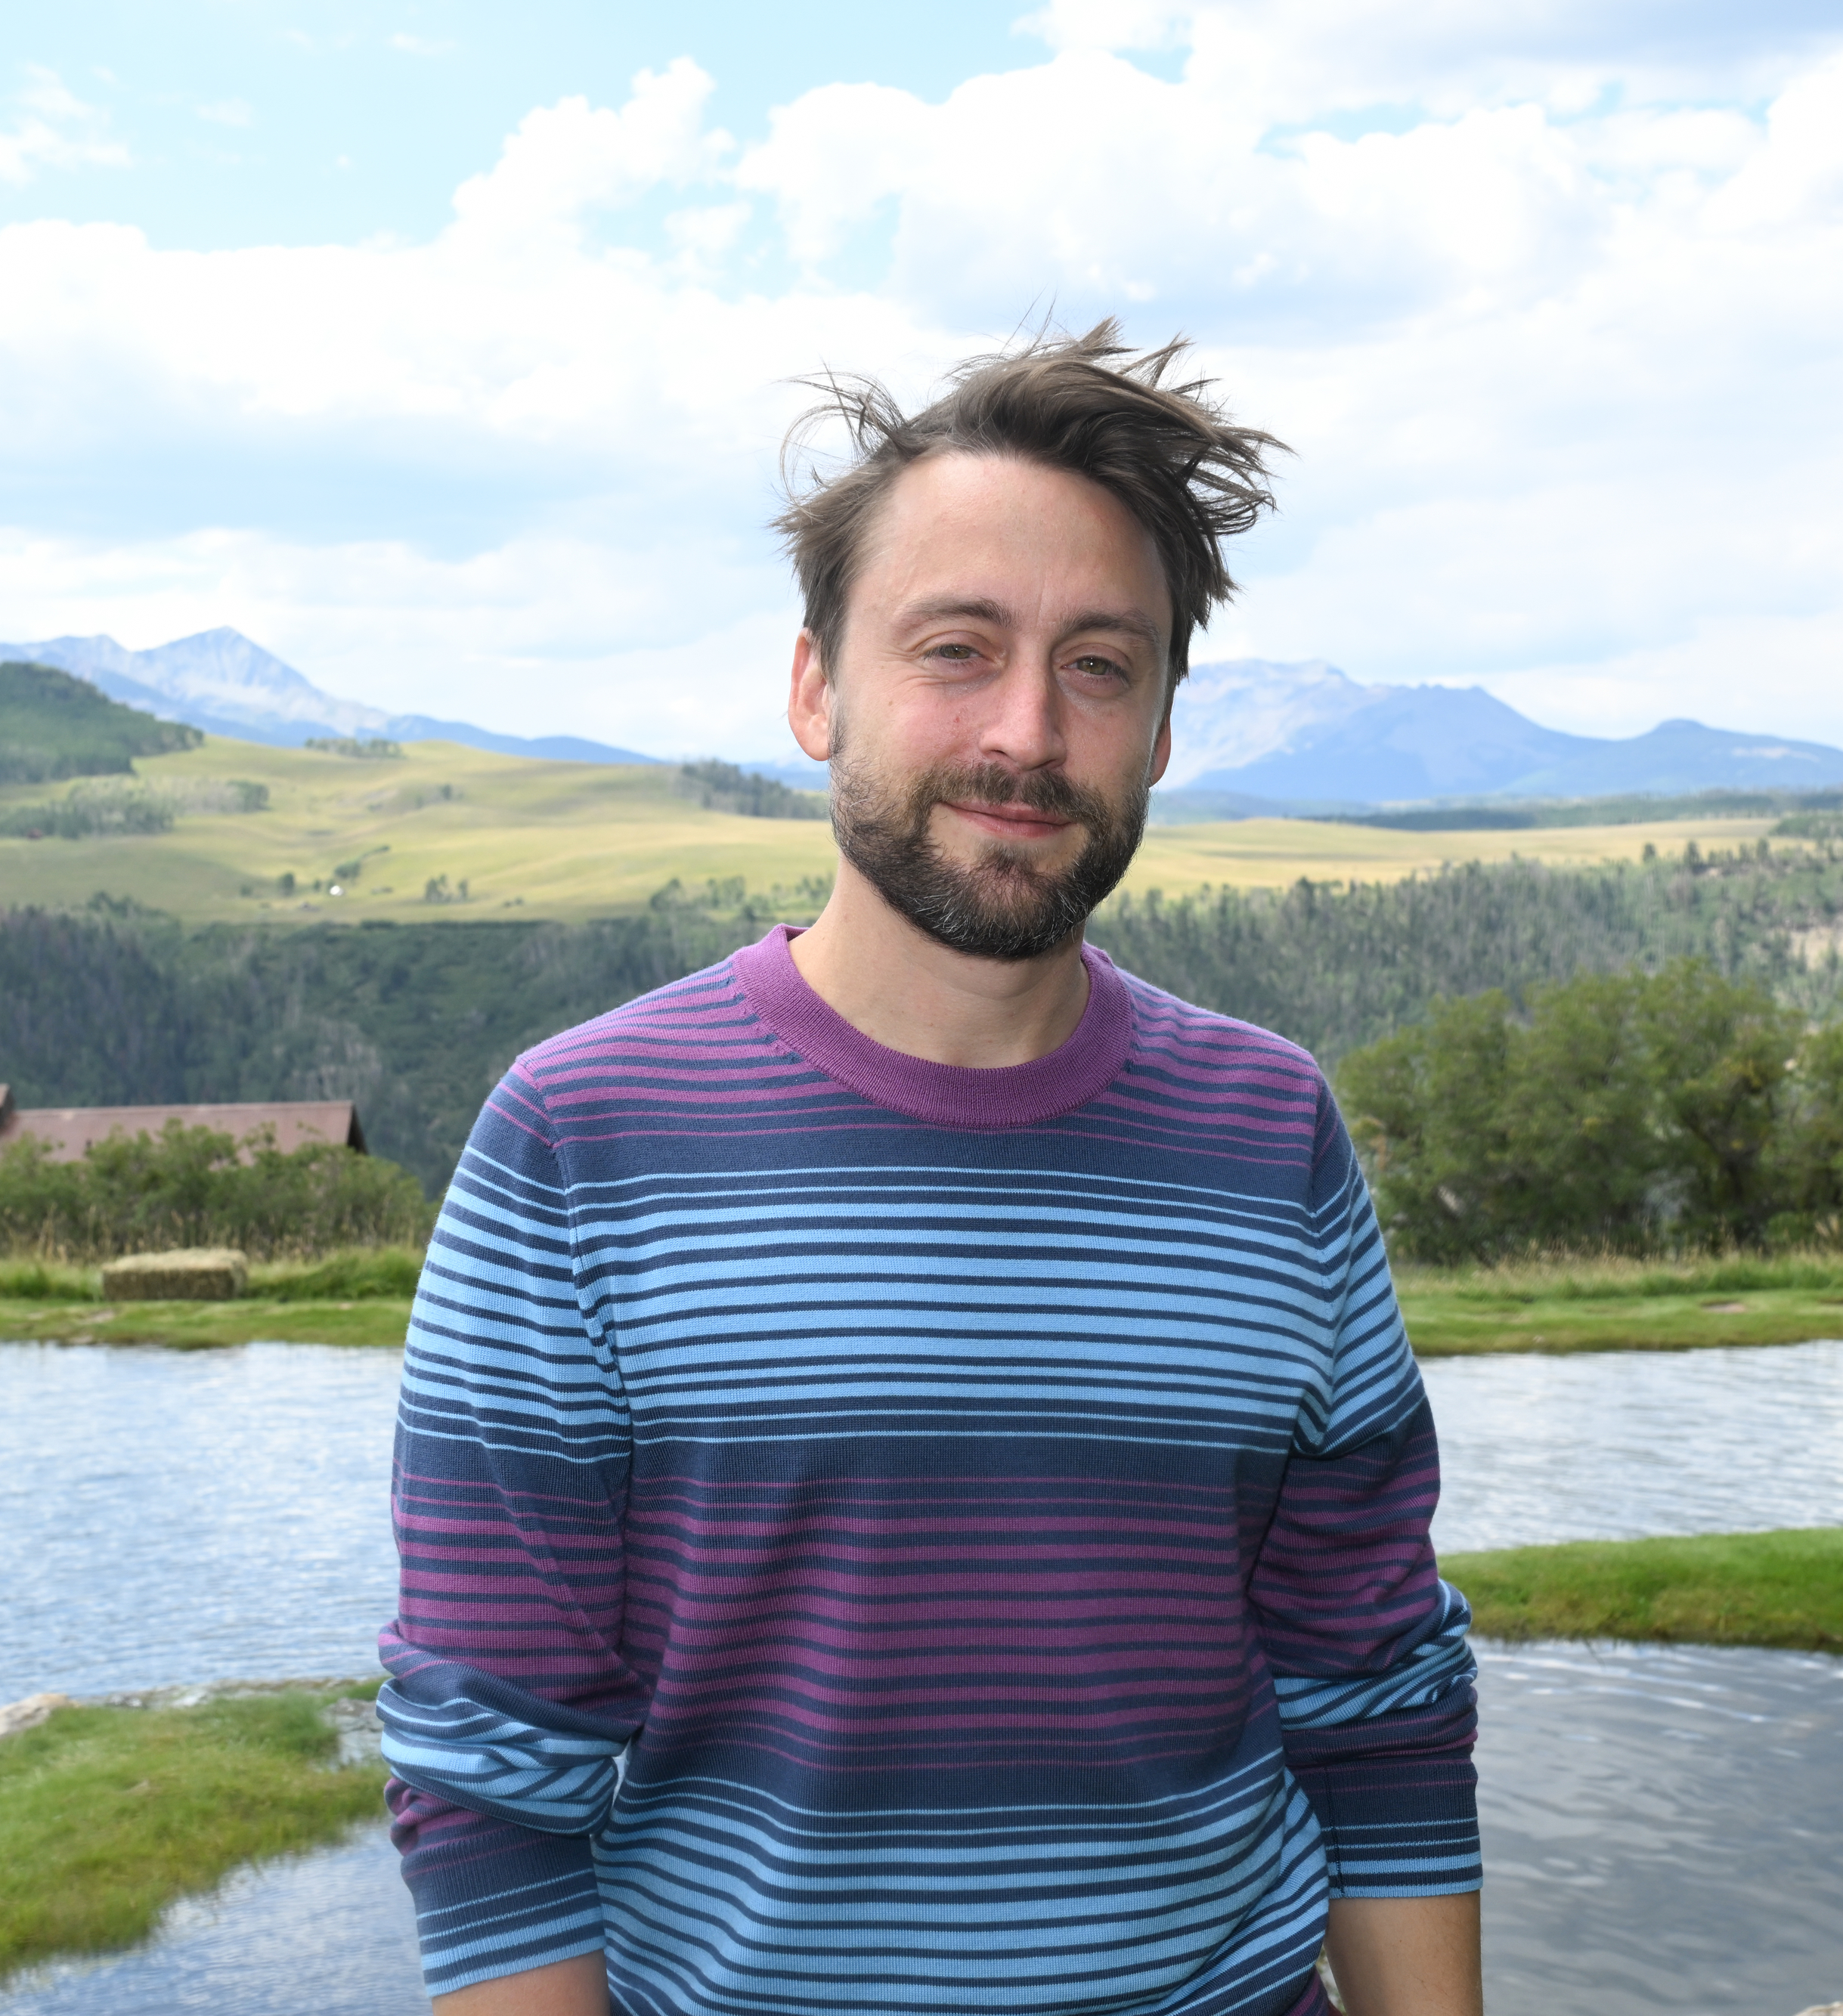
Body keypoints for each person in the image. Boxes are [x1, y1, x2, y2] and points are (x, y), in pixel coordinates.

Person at [379, 322, 1484, 2016]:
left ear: (1163, 729)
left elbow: (1375, 1690)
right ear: (815, 685)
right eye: (955, 649)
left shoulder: (1270, 1131)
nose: (1027, 733)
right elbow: (488, 1786)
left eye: (1099, 666)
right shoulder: (575, 1140)